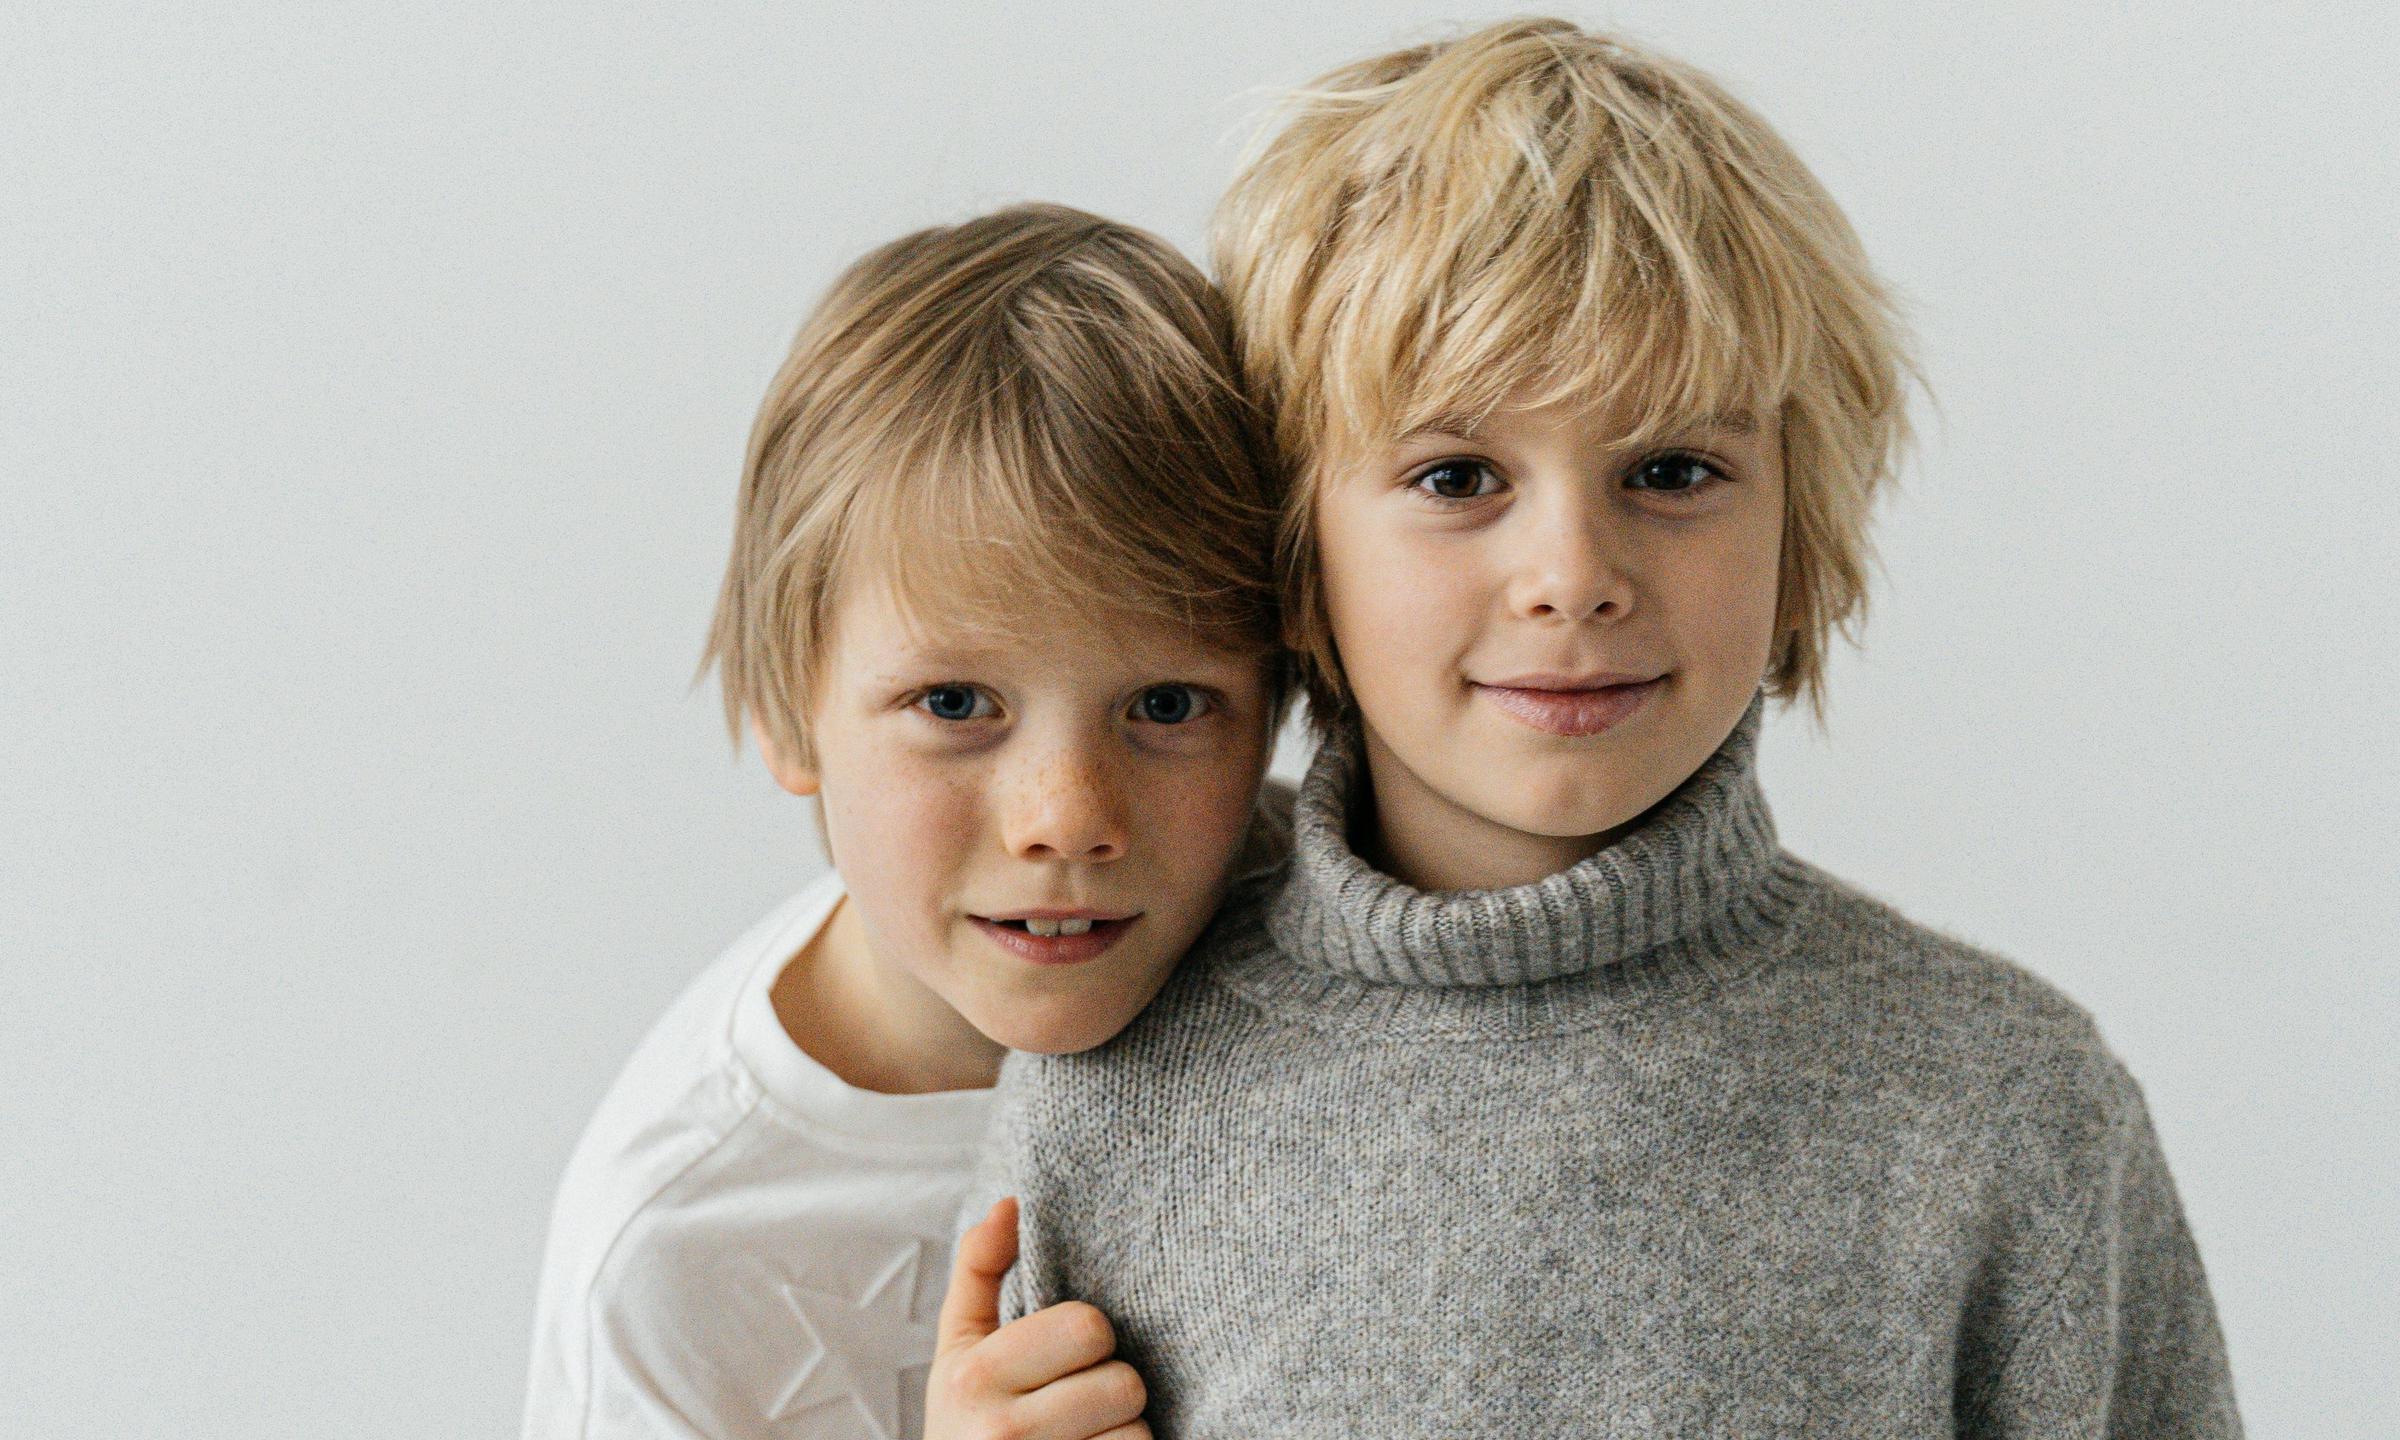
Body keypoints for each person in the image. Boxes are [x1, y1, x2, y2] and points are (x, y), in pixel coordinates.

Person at [968, 21, 2244, 1437]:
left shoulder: (2002, 1106)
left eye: (1674, 469)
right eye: (1458, 475)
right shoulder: (1111, 1095)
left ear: (1800, 528)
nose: (1573, 574)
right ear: (1294, 550)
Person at [521, 203, 1292, 1440]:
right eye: (954, 703)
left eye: (1165, 704)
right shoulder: (681, 1248)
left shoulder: (1343, 947)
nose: (1067, 819)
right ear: (787, 709)